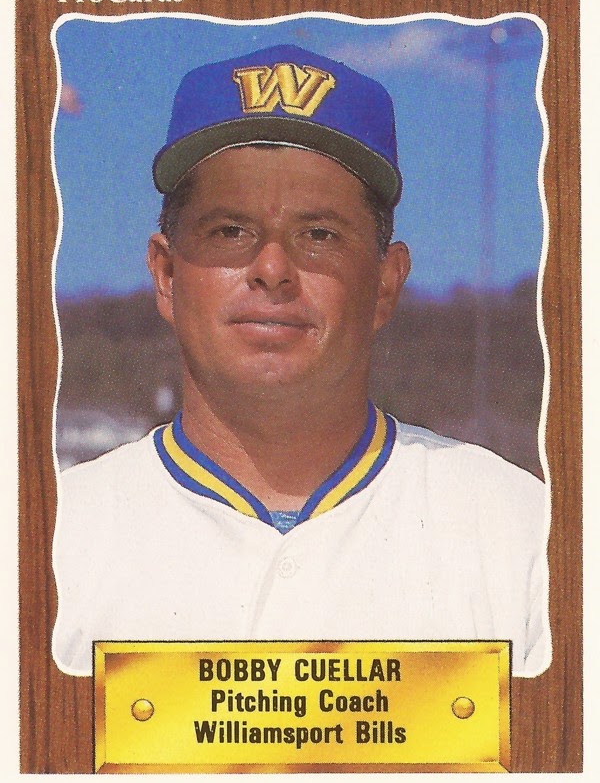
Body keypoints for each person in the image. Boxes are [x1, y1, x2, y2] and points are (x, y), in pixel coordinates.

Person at [52, 45, 551, 678]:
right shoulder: (49, 541)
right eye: (229, 231)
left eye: (319, 235)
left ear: (386, 283)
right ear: (167, 274)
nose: (272, 269)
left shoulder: (524, 535)